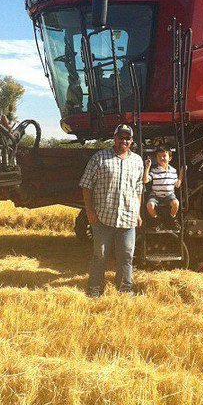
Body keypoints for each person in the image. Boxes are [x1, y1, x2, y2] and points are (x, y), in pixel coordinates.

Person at [79, 124, 144, 297]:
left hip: (128, 218)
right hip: (102, 218)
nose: (124, 141)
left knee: (126, 256)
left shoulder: (137, 161)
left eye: (127, 138)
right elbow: (86, 186)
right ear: (114, 138)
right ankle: (94, 290)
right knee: (100, 256)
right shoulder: (99, 158)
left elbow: (138, 190)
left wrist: (137, 213)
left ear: (131, 141)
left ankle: (124, 290)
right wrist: (89, 212)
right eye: (120, 137)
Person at [144, 145, 184, 228]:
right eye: (159, 156)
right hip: (155, 195)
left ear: (170, 158)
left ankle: (171, 219)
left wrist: (181, 173)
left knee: (176, 203)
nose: (161, 158)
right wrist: (147, 168)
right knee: (149, 205)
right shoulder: (154, 171)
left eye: (164, 156)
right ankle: (156, 220)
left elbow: (177, 185)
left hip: (169, 195)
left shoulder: (173, 171)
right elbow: (145, 180)